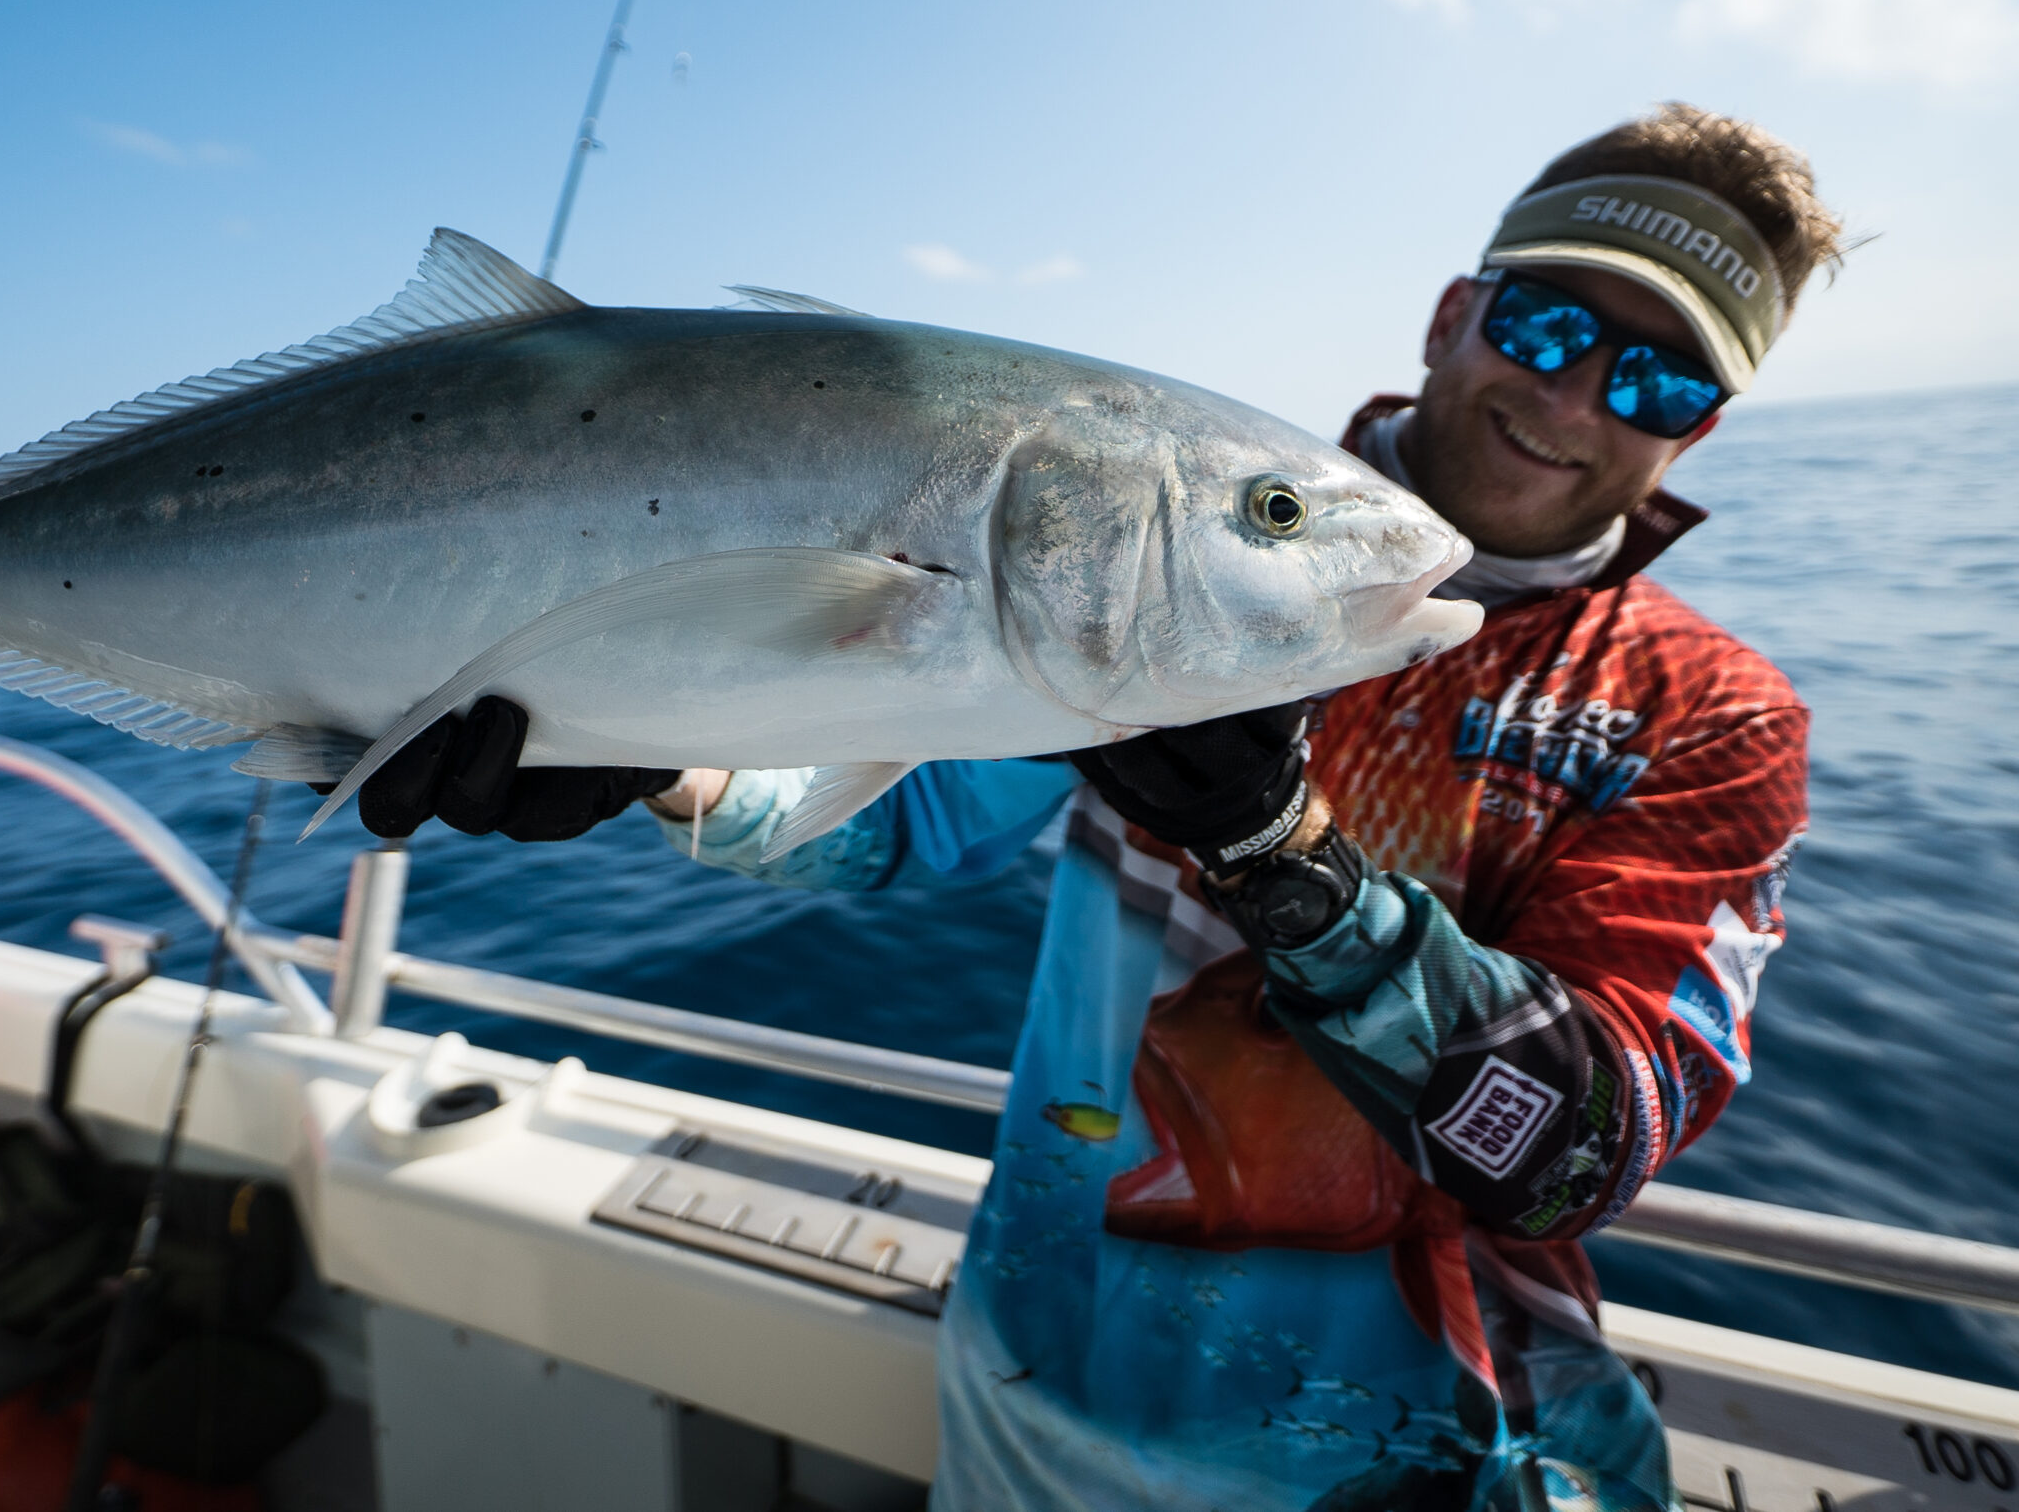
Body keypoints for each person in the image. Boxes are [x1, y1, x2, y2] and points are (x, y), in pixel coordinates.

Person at [342, 103, 1843, 1511]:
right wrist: (652, 750)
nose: (1577, 395)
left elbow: (1584, 1141)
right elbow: (905, 816)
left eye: (1656, 377)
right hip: (1028, 1412)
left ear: (1694, 429)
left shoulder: (1701, 711)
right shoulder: (1158, 535)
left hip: (1433, 1464)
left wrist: (1289, 858)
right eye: (1553, 324)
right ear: (1459, 316)